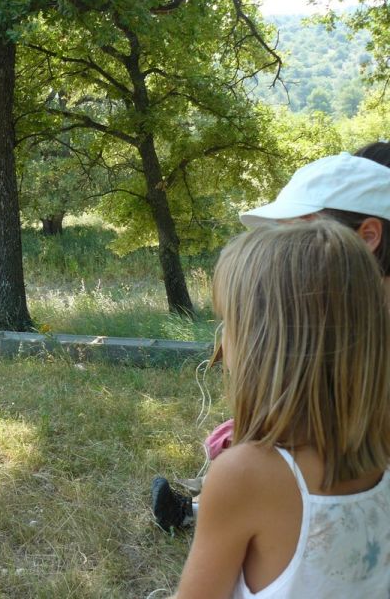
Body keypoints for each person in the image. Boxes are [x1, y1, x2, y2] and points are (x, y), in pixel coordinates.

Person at [151, 143, 390, 531]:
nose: (287, 254)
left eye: (304, 234)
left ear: (368, 236)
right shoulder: (332, 310)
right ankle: (199, 507)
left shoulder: (356, 325)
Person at [171, 220, 390, 598]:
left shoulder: (244, 475)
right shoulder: (381, 447)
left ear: (261, 344)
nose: (223, 340)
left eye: (228, 322)